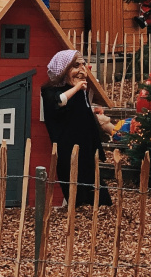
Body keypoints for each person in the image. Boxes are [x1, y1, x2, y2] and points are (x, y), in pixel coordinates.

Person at [41, 50, 111, 207]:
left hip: (87, 149)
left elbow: (82, 115)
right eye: (76, 65)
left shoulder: (81, 92)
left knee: (97, 189)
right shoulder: (50, 91)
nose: (81, 70)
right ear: (63, 70)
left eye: (83, 65)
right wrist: (77, 88)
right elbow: (59, 102)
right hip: (68, 151)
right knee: (76, 189)